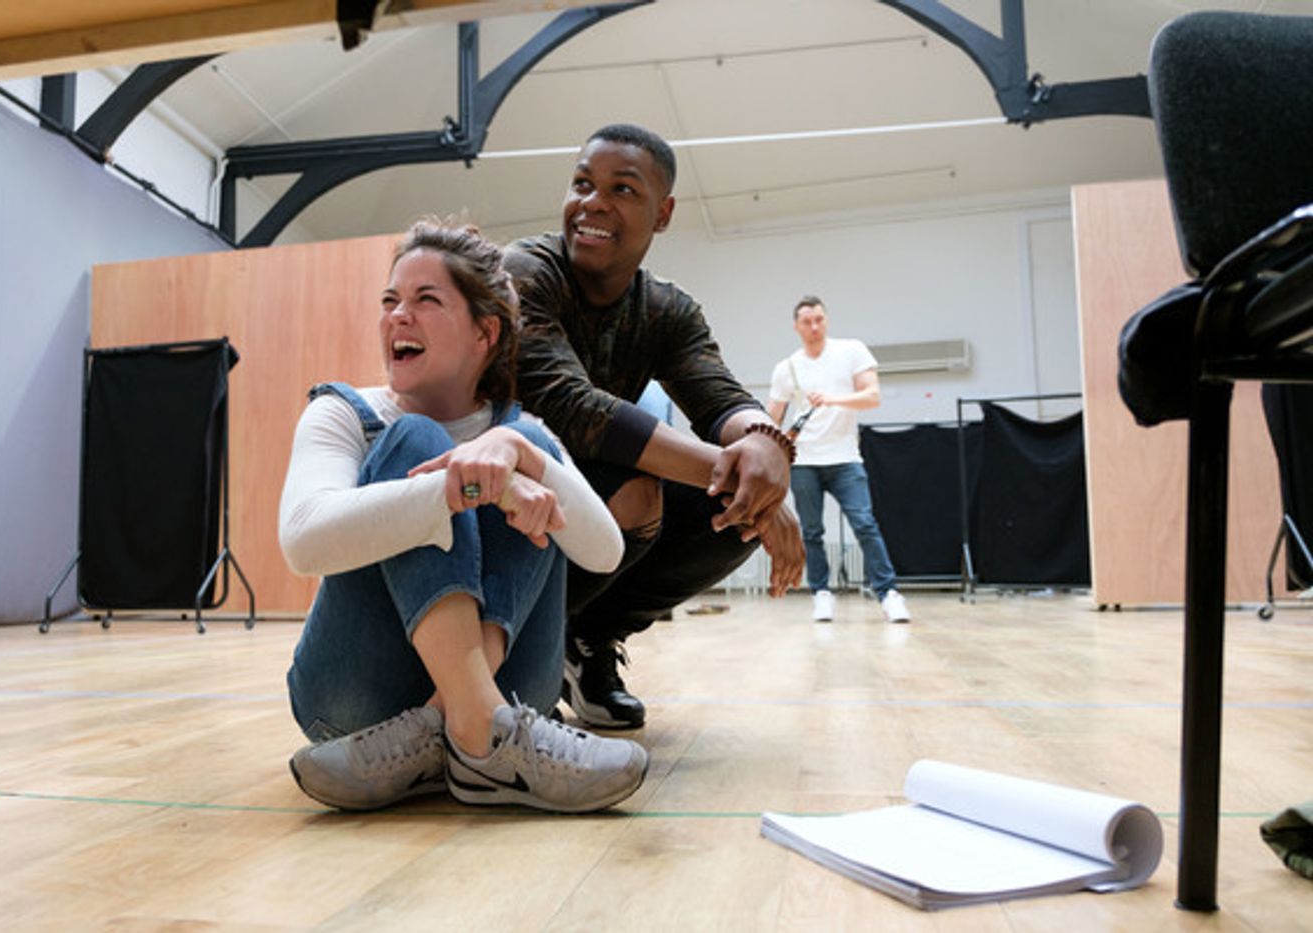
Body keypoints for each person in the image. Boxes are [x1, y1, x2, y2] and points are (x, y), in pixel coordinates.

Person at [279, 219, 648, 814]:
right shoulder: (343, 413)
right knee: (415, 439)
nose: (399, 316)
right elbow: (303, 542)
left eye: (426, 301)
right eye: (390, 301)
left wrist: (522, 458)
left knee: (525, 447)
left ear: (485, 332)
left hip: (513, 690)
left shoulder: (526, 430)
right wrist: (477, 490)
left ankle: (447, 724)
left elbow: (604, 551)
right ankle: (479, 734)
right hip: (350, 705)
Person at [502, 123, 806, 730]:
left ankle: (588, 642)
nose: (593, 202)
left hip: (588, 501)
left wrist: (763, 446)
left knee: (733, 513)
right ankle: (517, 646)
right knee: (641, 485)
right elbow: (573, 407)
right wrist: (743, 469)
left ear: (662, 214)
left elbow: (718, 397)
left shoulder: (668, 309)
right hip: (503, 499)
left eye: (622, 189)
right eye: (583, 183)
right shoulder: (524, 271)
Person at [767, 296, 911, 624]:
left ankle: (888, 593)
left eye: (819, 319)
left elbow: (872, 396)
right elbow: (772, 418)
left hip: (846, 458)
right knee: (812, 531)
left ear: (827, 320)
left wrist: (833, 399)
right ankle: (821, 593)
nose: (814, 327)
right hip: (803, 462)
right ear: (796, 327)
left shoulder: (852, 352)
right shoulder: (786, 368)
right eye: (807, 321)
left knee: (865, 524)